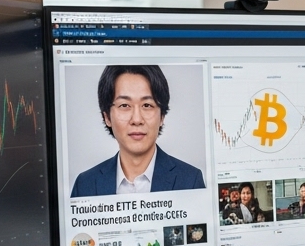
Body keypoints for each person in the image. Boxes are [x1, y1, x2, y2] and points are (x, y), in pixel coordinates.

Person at [70, 65, 205, 197]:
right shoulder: (85, 185)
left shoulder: (190, 181)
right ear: (107, 117)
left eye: (147, 105)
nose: (136, 119)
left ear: (162, 116)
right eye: (124, 105)